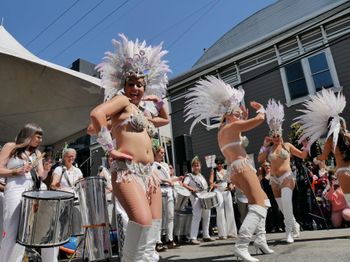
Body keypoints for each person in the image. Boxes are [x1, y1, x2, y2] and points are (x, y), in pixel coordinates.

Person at [90, 33, 170, 262]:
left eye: (140, 85)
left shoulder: (142, 112)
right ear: (123, 84)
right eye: (131, 83)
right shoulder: (122, 101)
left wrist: (158, 102)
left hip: (150, 173)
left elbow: (164, 121)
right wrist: (109, 148)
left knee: (153, 227)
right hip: (127, 170)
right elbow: (96, 114)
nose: (136, 88)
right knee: (142, 221)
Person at [184, 76, 273, 262]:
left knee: (262, 201)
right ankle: (242, 246)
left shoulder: (223, 130)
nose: (240, 113)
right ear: (227, 114)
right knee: (258, 203)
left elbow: (238, 134)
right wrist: (261, 109)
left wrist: (241, 120)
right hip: (241, 166)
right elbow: (260, 119)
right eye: (237, 112)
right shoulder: (231, 126)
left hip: (235, 169)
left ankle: (260, 240)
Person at [0, 123, 58, 262]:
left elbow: (41, 176)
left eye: (41, 137)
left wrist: (46, 170)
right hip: (14, 190)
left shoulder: (37, 153)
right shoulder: (11, 147)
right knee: (12, 232)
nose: (40, 140)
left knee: (33, 232)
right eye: (38, 136)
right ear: (28, 134)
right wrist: (15, 171)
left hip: (33, 193)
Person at [258, 99, 308, 243]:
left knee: (287, 202)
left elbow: (303, 156)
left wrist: (305, 146)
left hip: (287, 177)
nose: (275, 137)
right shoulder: (269, 148)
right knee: (282, 207)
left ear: (281, 133)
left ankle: (289, 232)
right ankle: (295, 225)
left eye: (277, 134)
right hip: (273, 179)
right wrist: (263, 145)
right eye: (273, 135)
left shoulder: (287, 145)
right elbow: (260, 160)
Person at [296, 89, 350, 217]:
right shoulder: (348, 135)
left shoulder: (330, 140)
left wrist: (315, 159)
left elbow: (323, 157)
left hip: (343, 172)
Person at [152, 144, 181, 250]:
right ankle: (158, 241)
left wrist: (177, 179)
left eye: (163, 152)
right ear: (155, 153)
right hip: (160, 190)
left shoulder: (164, 164)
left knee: (170, 216)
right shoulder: (152, 165)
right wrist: (168, 181)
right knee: (160, 217)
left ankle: (170, 239)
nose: (163, 154)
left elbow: (169, 179)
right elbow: (157, 179)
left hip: (169, 190)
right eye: (161, 152)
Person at [182, 156, 215, 245]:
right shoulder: (190, 176)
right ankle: (193, 237)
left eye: (198, 165)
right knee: (197, 217)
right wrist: (192, 189)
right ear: (192, 167)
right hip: (196, 198)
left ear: (200, 166)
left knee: (207, 216)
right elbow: (184, 184)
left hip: (204, 197)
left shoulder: (201, 176)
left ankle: (206, 235)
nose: (197, 167)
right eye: (195, 166)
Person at [209, 156, 237, 239]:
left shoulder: (226, 171)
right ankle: (222, 234)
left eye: (221, 163)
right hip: (218, 190)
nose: (219, 165)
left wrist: (232, 186)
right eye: (218, 163)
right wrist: (215, 184)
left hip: (226, 189)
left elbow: (231, 181)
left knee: (229, 210)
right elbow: (210, 181)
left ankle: (231, 232)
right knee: (220, 210)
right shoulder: (213, 171)